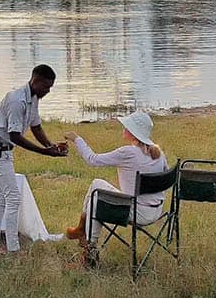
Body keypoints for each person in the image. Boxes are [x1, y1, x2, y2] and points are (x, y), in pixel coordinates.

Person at [63, 110, 168, 266]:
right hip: (155, 211)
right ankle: (81, 229)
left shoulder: (128, 152)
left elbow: (93, 160)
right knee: (96, 184)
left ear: (133, 132)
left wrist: (77, 139)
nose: (123, 127)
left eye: (127, 126)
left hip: (136, 212)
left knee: (96, 199)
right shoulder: (159, 153)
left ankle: (89, 254)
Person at [0, 64, 68, 254]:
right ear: (35, 81)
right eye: (46, 87)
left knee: (4, 198)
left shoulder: (33, 98)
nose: (48, 91)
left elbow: (36, 127)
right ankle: (13, 248)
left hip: (4, 151)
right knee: (13, 198)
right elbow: (15, 136)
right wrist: (44, 152)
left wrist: (50, 145)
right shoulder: (16, 101)